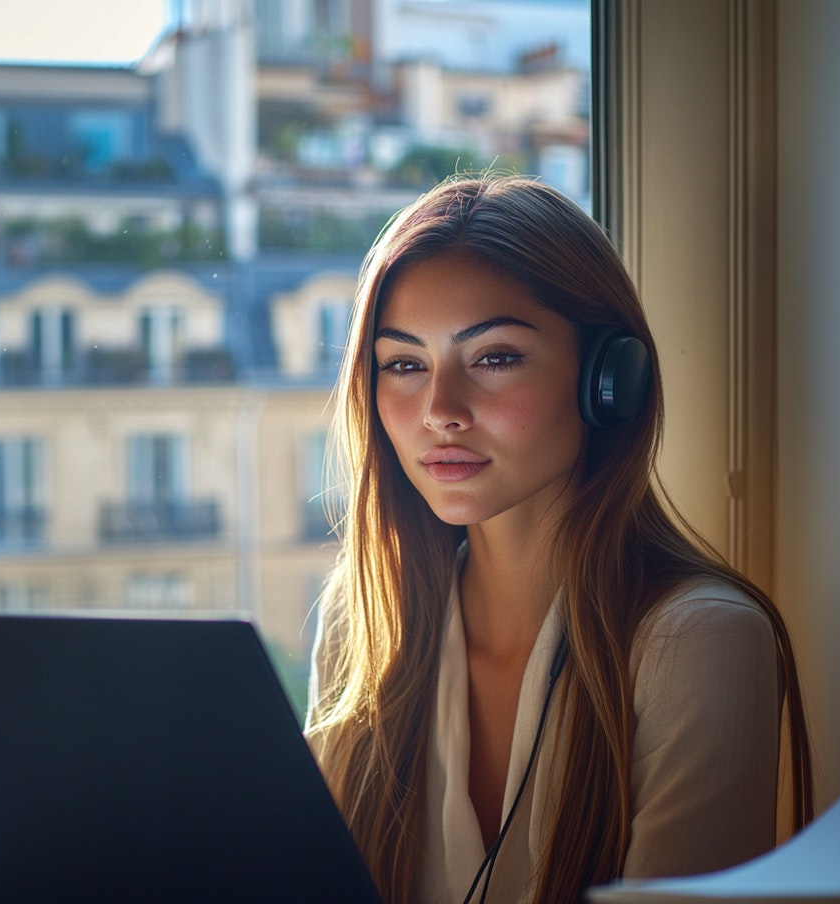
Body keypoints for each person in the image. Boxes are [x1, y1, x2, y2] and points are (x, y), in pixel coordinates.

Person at [305, 174, 813, 904]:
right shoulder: (361, 625)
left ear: (611, 379)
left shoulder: (698, 643)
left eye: (496, 357)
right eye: (405, 365)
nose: (439, 411)